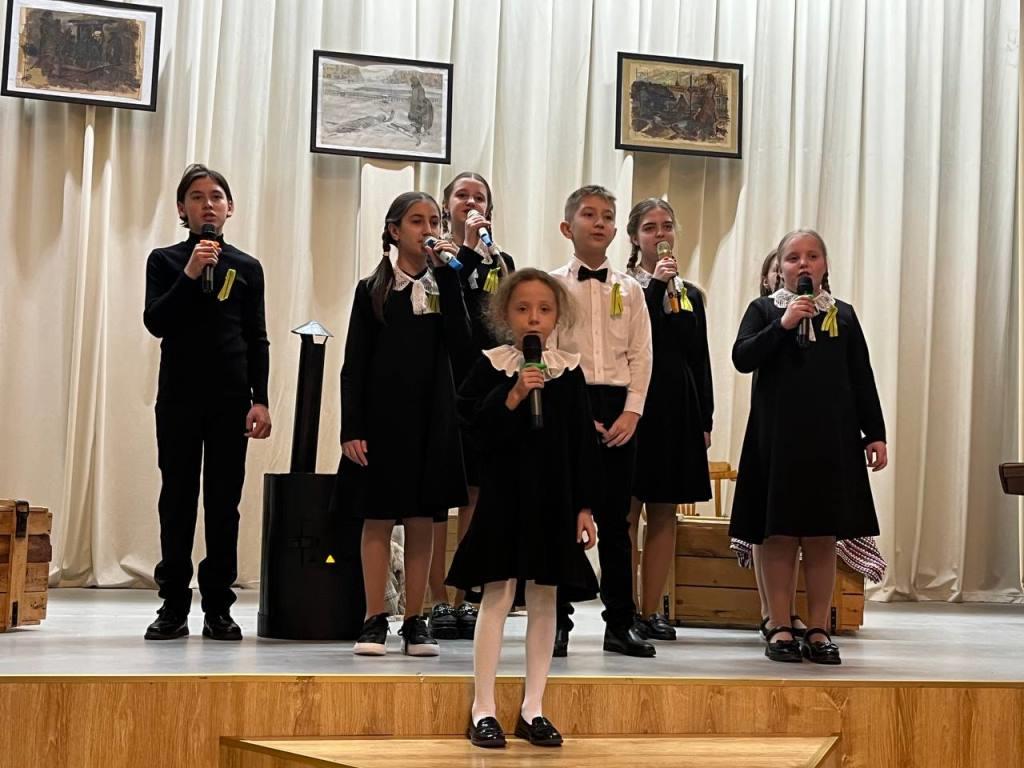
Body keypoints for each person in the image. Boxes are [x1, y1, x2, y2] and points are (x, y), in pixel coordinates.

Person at [447, 268, 598, 749]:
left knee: (545, 596)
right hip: (504, 494)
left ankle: (534, 706)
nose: (534, 317)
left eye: (544, 309)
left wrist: (584, 506)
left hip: (553, 498)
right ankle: (483, 707)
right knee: (497, 593)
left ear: (557, 317)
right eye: (523, 308)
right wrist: (512, 395)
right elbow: (471, 429)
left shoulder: (569, 372)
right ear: (504, 315)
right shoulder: (491, 367)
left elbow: (581, 443)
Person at [730, 229, 888, 665]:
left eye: (813, 256)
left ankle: (819, 629)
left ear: (825, 266)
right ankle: (780, 624)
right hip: (776, 440)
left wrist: (875, 433)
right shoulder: (764, 310)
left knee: (821, 537)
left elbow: (861, 377)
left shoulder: (844, 315)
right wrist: (782, 325)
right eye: (794, 257)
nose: (804, 264)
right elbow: (742, 357)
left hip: (831, 441)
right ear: (780, 268)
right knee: (778, 535)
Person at [336, 191, 470, 657]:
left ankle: (416, 619)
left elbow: (463, 346)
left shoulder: (445, 286)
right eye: (417, 221)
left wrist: (449, 279)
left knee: (422, 518)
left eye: (434, 221)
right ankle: (375, 617)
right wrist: (351, 427)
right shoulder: (371, 289)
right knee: (377, 517)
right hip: (381, 420)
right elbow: (354, 363)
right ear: (394, 231)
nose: (427, 229)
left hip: (432, 419)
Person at [142, 163, 272, 641]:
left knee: (223, 503)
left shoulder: (247, 267)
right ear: (183, 208)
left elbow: (257, 338)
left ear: (229, 207)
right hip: (179, 399)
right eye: (196, 197)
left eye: (216, 196)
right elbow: (156, 321)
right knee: (177, 499)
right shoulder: (165, 261)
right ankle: (173, 604)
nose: (208, 204)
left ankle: (218, 605)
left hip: (231, 401)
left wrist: (261, 399)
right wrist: (191, 272)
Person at [550, 185, 655, 658]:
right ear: (567, 227)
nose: (599, 222)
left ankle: (620, 624)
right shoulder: (552, 286)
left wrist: (632, 411)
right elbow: (549, 350)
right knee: (562, 516)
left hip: (618, 408)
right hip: (570, 402)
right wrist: (572, 415)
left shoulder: (630, 289)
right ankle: (556, 622)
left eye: (607, 216)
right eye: (589, 215)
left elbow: (641, 353)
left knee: (617, 522)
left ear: (616, 230)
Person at [426, 172, 516, 642]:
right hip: (446, 386)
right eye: (462, 195)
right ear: (447, 207)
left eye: (479, 196)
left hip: (489, 389)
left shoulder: (501, 261)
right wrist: (462, 249)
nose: (471, 201)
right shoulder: (439, 255)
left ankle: (465, 597)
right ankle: (435, 598)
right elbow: (447, 308)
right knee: (440, 497)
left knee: (477, 496)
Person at [624, 199, 713, 641]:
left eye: (667, 226)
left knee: (664, 512)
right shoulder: (626, 288)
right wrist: (656, 286)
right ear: (634, 237)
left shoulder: (690, 294)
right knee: (626, 511)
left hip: (678, 406)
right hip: (635, 405)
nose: (660, 235)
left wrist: (706, 417)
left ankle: (651, 608)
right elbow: (636, 338)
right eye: (650, 228)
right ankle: (622, 607)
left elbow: (699, 358)